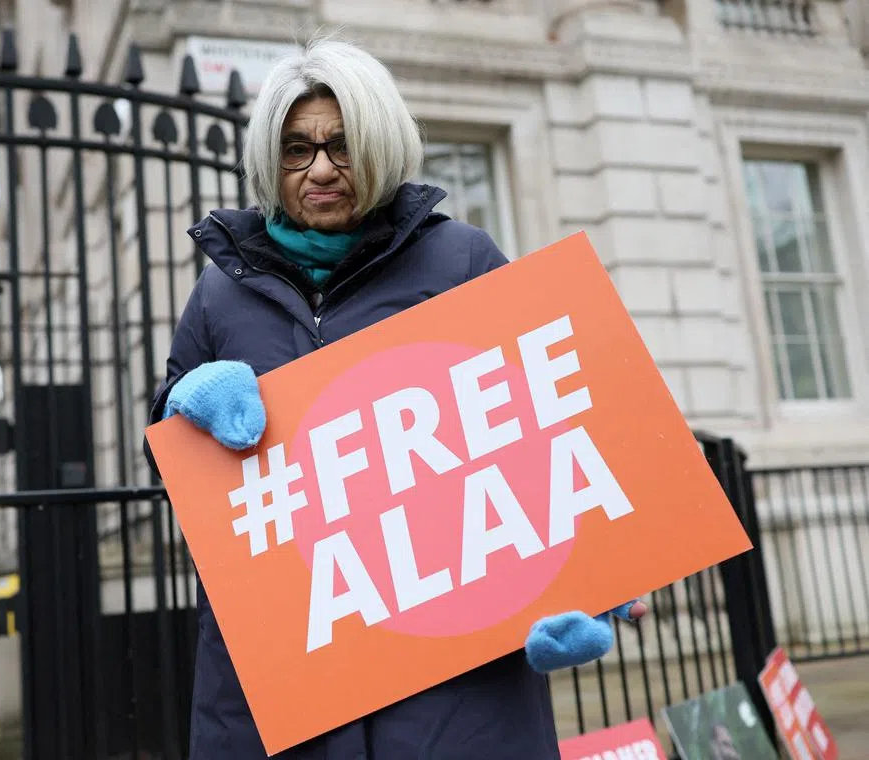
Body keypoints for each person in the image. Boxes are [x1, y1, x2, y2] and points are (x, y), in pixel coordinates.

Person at [148, 37, 647, 759]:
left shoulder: (463, 260)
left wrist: (591, 580)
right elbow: (171, 465)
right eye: (296, 149)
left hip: (453, 692)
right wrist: (184, 404)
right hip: (282, 685)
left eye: (342, 145)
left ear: (380, 145)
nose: (319, 168)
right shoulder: (219, 293)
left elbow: (555, 427)